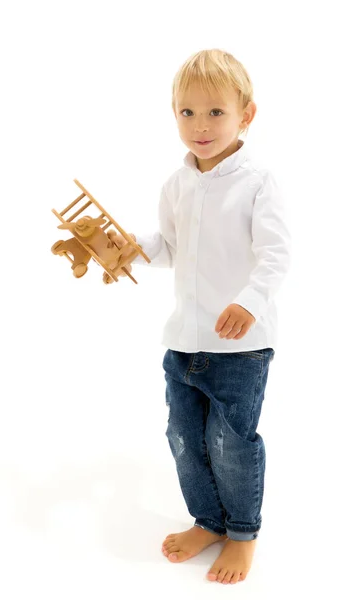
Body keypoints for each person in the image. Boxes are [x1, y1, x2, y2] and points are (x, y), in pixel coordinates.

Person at [106, 48, 291, 585]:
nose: (200, 125)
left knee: (231, 443)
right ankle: (208, 520)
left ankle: (242, 532)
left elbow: (277, 255)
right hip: (183, 342)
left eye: (215, 112)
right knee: (184, 436)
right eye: (187, 113)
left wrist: (249, 302)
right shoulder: (178, 182)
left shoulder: (257, 182)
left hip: (239, 346)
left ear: (246, 116)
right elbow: (168, 246)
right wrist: (132, 246)